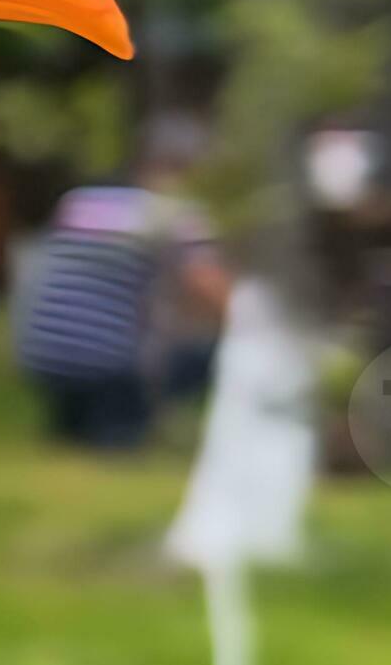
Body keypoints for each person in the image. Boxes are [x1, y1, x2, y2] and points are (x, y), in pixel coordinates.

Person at [12, 158, 230, 450]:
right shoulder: (173, 215)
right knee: (211, 352)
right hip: (107, 361)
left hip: (43, 351)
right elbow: (208, 285)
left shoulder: (77, 202)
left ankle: (75, 430)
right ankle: (127, 427)